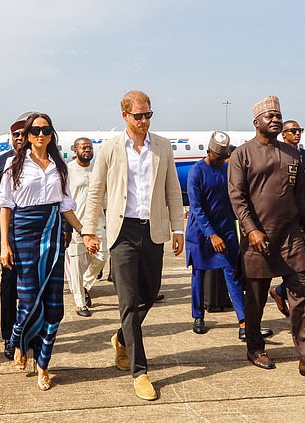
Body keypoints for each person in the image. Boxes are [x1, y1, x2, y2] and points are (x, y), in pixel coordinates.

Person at [83, 90, 184, 401]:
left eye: (148, 115)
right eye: (138, 115)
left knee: (150, 294)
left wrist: (178, 228)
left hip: (152, 231)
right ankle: (140, 371)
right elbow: (96, 190)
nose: (144, 121)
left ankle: (121, 338)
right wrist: (89, 230)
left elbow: (173, 191)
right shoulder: (110, 148)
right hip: (122, 232)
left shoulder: (163, 147)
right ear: (124, 115)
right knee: (128, 301)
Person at [228, 96, 305, 382]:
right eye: (269, 116)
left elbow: (302, 196)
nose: (275, 119)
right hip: (259, 238)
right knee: (256, 299)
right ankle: (254, 347)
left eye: (278, 115)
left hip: (291, 237)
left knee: (301, 296)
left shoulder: (293, 154)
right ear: (256, 122)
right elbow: (237, 196)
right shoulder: (242, 154)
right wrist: (251, 229)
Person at [0, 112, 83, 391]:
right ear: (27, 135)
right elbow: (6, 207)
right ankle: (19, 340)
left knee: (54, 305)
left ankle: (43, 364)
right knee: (28, 299)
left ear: (52, 134)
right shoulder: (14, 164)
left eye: (46, 130)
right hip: (23, 234)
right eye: (35, 130)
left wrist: (85, 231)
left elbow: (66, 205)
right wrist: (5, 244)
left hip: (52, 234)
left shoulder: (61, 166)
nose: (40, 135)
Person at [186, 131, 246, 337]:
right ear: (209, 151)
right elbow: (196, 206)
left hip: (226, 230)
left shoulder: (228, 169)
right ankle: (198, 316)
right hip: (202, 232)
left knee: (233, 274)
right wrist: (212, 235)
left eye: (224, 157)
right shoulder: (197, 171)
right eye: (218, 157)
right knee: (199, 275)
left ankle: (244, 322)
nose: (221, 160)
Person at [0, 112, 31, 360]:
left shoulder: (43, 162)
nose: (21, 138)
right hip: (8, 237)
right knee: (9, 287)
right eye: (16, 135)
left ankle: (30, 334)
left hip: (35, 235)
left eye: (25, 134)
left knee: (33, 289)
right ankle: (8, 337)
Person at [270, 119, 305, 317]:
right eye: (292, 130)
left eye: (299, 130)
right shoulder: (276, 155)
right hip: (284, 217)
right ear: (283, 134)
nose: (297, 134)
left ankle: (280, 291)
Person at [67, 137, 108, 317]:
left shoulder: (98, 169)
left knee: (102, 255)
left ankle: (85, 284)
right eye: (83, 148)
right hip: (77, 223)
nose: (87, 150)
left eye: (89, 147)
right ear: (75, 150)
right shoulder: (68, 171)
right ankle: (80, 302)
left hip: (97, 221)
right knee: (76, 263)